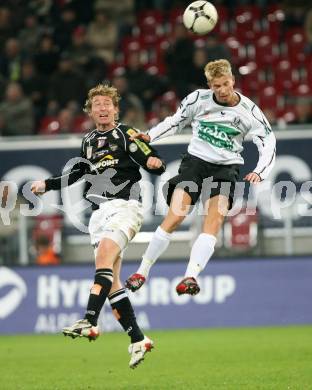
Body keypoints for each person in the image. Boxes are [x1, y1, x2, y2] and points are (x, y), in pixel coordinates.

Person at [31, 84, 165, 368]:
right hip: (98, 214)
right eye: (97, 105)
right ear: (90, 111)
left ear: (116, 109)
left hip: (125, 208)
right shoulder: (89, 141)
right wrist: (47, 184)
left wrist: (154, 163)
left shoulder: (126, 133)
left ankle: (89, 320)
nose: (102, 108)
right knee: (112, 282)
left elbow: (147, 156)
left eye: (107, 103)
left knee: (103, 259)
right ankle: (138, 339)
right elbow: (77, 173)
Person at [125, 59, 276, 296]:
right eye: (216, 86)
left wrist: (260, 171)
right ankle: (142, 271)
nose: (222, 90)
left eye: (226, 84)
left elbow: (268, 142)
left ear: (233, 80)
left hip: (226, 167)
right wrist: (150, 136)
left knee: (213, 222)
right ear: (209, 85)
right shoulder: (197, 99)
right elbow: (176, 122)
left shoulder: (249, 111)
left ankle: (190, 277)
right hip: (195, 163)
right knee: (175, 216)